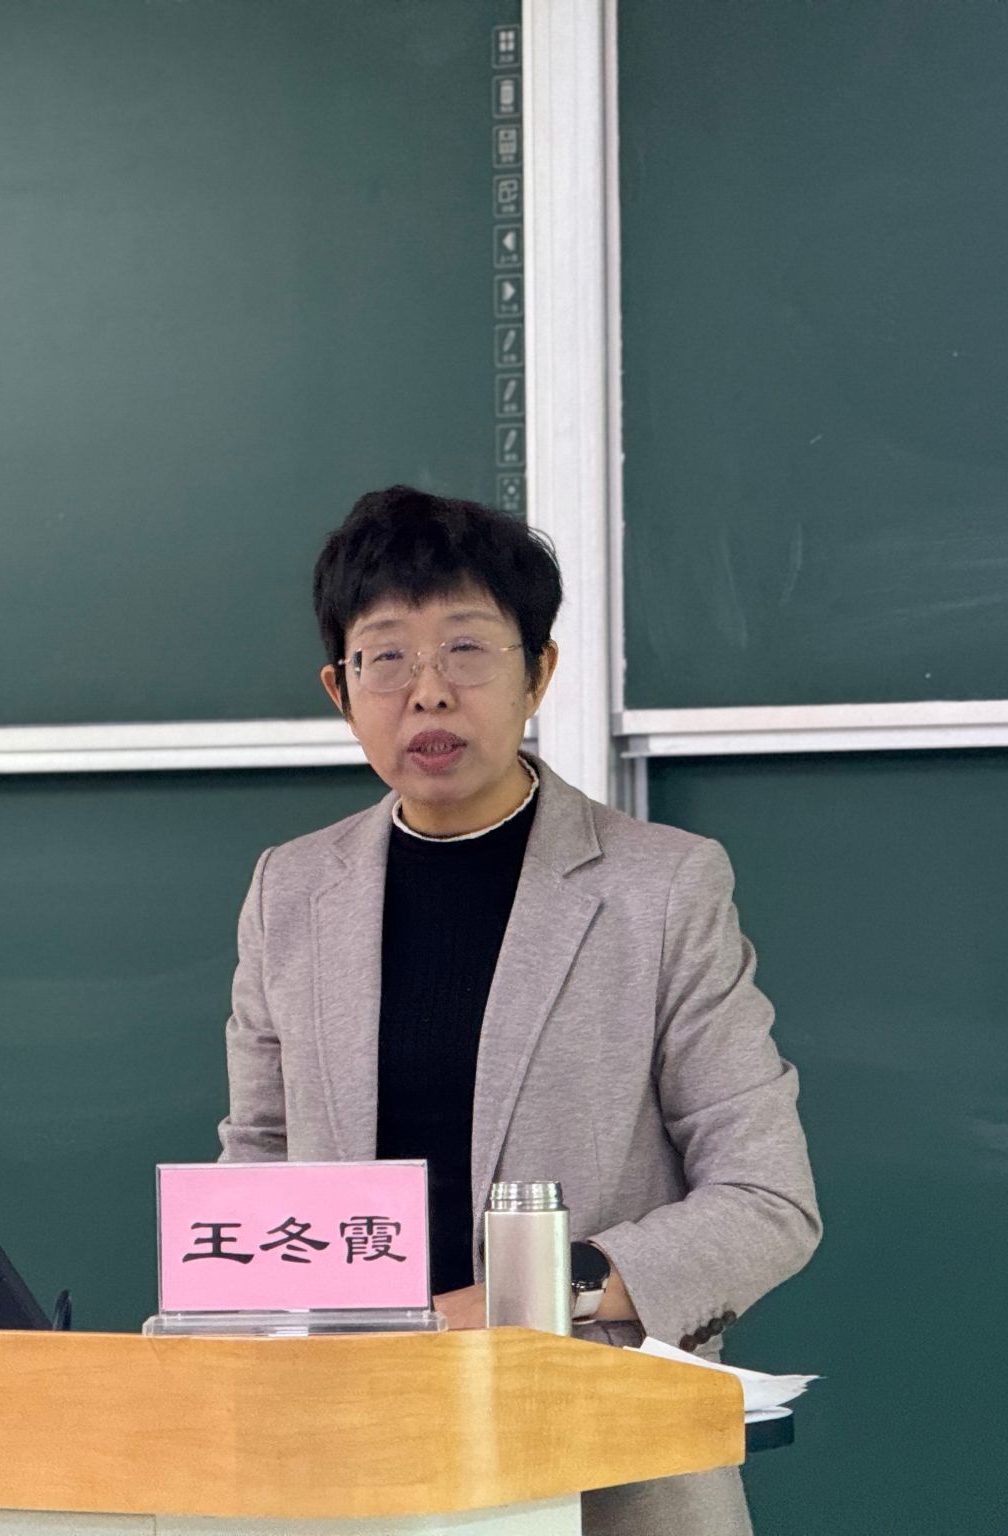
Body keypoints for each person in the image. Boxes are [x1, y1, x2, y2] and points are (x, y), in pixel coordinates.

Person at [216, 485, 821, 1536]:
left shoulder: (661, 888)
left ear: (537, 672)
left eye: (467, 650)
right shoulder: (291, 891)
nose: (428, 693)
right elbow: (259, 1161)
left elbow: (767, 1199)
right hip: (348, 1450)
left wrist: (538, 1292)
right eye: (385, 657)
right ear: (339, 689)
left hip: (602, 1457)